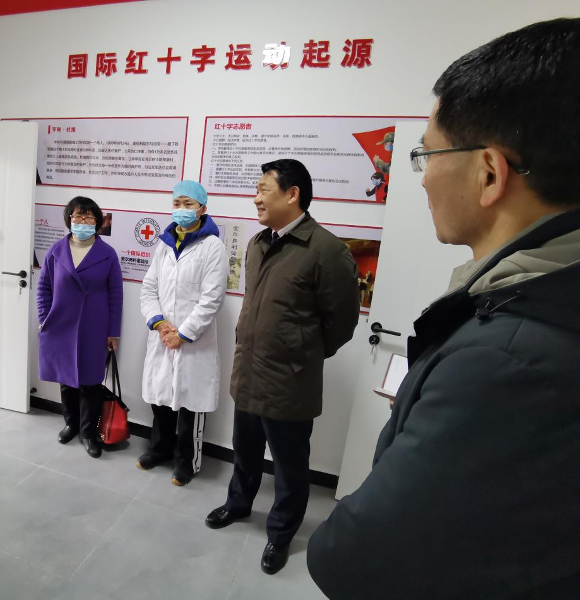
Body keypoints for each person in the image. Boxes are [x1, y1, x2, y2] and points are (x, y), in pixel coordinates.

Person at [307, 18, 580, 600]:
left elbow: (353, 558)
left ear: (489, 172)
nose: (424, 178)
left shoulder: (506, 362)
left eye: (427, 153)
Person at [206, 159, 360, 575]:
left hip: (290, 382)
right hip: (249, 372)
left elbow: (342, 324)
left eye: (263, 189)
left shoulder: (327, 251)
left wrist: (299, 353)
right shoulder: (258, 243)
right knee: (244, 451)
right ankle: (238, 504)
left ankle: (280, 532)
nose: (255, 198)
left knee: (290, 467)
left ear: (292, 195)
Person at [138, 180, 228, 486]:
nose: (181, 209)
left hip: (194, 341)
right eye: (177, 203)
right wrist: (159, 322)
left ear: (202, 209)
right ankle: (159, 449)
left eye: (188, 204)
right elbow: (149, 288)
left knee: (191, 403)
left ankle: (186, 461)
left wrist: (184, 333)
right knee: (161, 397)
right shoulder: (163, 244)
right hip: (163, 336)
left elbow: (212, 299)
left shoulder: (213, 247)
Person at [37, 196, 123, 459]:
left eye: (89, 217)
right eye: (78, 216)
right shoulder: (56, 250)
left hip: (94, 326)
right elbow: (44, 287)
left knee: (90, 382)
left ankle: (88, 433)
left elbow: (115, 295)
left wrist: (113, 332)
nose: (83, 221)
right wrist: (44, 319)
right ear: (69, 219)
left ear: (97, 222)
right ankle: (71, 424)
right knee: (66, 380)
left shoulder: (107, 254)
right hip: (60, 325)